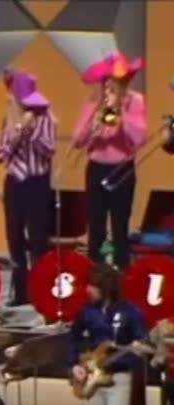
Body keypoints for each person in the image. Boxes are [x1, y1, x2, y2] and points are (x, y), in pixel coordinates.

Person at [72, 52, 147, 270]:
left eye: (114, 80)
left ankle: (121, 276)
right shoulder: (95, 102)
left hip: (121, 170)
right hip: (96, 169)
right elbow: (77, 141)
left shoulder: (135, 101)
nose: (109, 85)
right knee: (96, 227)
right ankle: (95, 275)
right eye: (106, 80)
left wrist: (121, 110)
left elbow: (139, 138)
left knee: (119, 226)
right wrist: (92, 126)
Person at [67, 263, 148, 405]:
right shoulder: (87, 312)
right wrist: (74, 365)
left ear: (105, 287)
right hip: (91, 378)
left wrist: (132, 354)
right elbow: (72, 338)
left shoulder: (130, 312)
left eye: (92, 285)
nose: (88, 289)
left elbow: (141, 346)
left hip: (119, 379)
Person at [0, 69, 56, 306]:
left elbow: (48, 151)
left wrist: (32, 133)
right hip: (15, 183)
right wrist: (19, 131)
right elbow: (1, 154)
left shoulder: (46, 118)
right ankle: (20, 294)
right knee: (15, 240)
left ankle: (39, 292)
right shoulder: (9, 119)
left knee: (38, 241)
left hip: (37, 183)